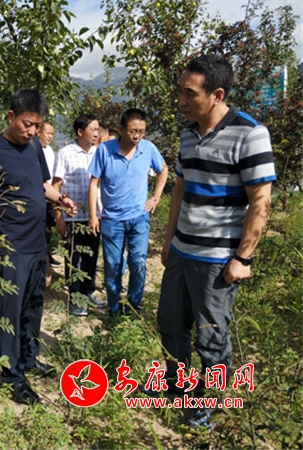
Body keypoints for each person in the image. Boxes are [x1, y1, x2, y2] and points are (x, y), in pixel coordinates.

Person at [157, 55, 276, 427]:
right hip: (182, 250)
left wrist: (243, 258)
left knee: (211, 336)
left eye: (189, 93)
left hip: (216, 260)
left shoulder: (249, 133)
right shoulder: (187, 133)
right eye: (180, 91)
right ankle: (178, 386)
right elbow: (180, 188)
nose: (181, 100)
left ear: (217, 94)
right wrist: (169, 238)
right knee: (170, 323)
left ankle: (209, 403)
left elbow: (261, 200)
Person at [0, 88, 77, 405]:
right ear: (11, 116)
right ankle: (12, 376)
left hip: (37, 242)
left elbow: (43, 186)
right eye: (27, 124)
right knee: (11, 312)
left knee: (33, 306)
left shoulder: (33, 147)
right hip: (12, 247)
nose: (32, 131)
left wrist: (61, 200)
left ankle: (29, 358)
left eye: (37, 125)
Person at [88, 108, 168, 315]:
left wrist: (156, 196)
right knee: (113, 267)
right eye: (133, 131)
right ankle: (114, 310)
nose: (137, 136)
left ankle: (133, 306)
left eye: (141, 131)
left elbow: (163, 169)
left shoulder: (148, 149)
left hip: (139, 217)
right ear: (121, 129)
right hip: (111, 220)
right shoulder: (104, 150)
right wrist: (93, 215)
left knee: (138, 263)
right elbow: (94, 183)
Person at [52, 114, 106, 316]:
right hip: (73, 216)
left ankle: (88, 292)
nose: (97, 133)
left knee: (91, 256)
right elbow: (55, 187)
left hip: (95, 215)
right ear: (80, 132)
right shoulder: (65, 153)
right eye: (93, 129)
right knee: (74, 259)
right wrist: (59, 217)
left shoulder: (99, 153)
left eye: (98, 129)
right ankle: (75, 298)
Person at [37, 121, 62, 269]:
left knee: (48, 227)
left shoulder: (50, 150)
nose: (50, 136)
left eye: (52, 134)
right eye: (48, 133)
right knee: (42, 226)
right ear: (38, 132)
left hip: (51, 194)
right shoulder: (34, 149)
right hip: (40, 194)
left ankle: (48, 254)